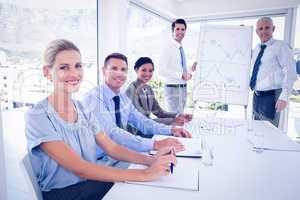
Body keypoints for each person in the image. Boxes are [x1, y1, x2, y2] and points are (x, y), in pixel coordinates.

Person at [25, 39, 177, 200]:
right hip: (65, 193)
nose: (74, 73)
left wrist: (150, 160)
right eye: (64, 67)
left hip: (90, 183)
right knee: (140, 187)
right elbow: (80, 168)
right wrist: (145, 173)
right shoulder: (38, 115)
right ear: (47, 72)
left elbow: (111, 147)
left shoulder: (83, 109)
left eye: (78, 66)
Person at [82, 53, 191, 156]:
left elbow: (143, 122)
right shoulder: (93, 98)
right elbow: (112, 133)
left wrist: (171, 130)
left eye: (123, 70)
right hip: (101, 159)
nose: (119, 73)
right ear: (104, 71)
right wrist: (156, 144)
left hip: (121, 153)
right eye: (114, 69)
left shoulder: (123, 99)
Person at [250, 17, 297, 127]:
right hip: (256, 96)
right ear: (257, 31)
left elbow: (290, 71)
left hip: (272, 96)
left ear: (273, 29)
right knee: (256, 129)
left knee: (270, 132)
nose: (264, 31)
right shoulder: (256, 49)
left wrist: (284, 97)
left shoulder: (281, 46)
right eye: (260, 29)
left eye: (267, 28)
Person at [126, 57, 193, 126]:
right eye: (144, 70)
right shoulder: (132, 90)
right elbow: (142, 120)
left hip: (148, 128)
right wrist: (172, 121)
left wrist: (178, 116)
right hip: (135, 131)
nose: (147, 74)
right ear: (136, 70)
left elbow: (159, 112)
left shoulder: (148, 89)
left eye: (150, 71)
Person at [158, 18, 197, 113]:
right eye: (177, 29)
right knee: (175, 120)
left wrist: (190, 69)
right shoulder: (167, 47)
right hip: (173, 88)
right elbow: (161, 70)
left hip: (183, 87)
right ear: (172, 31)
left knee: (180, 117)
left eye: (183, 29)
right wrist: (181, 75)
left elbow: (179, 67)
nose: (180, 32)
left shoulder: (180, 47)